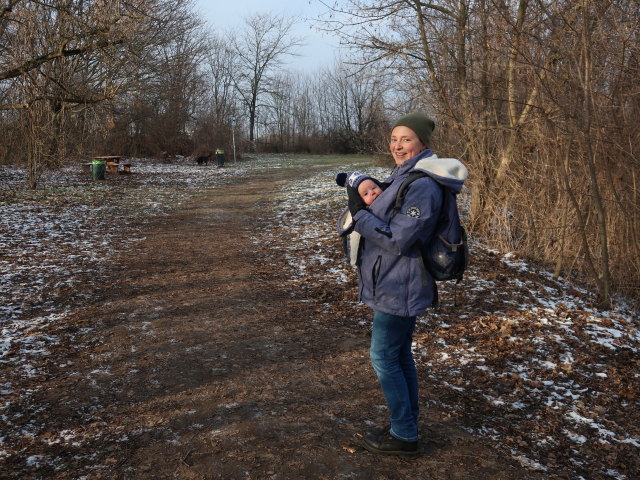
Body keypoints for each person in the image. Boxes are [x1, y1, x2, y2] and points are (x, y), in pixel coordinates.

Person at [336, 112, 467, 456]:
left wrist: (359, 215)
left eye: (405, 139)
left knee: (383, 357)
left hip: (400, 284)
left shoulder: (423, 185)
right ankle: (405, 424)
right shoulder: (404, 176)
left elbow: (398, 240)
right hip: (392, 279)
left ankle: (405, 435)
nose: (397, 146)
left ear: (423, 142)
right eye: (394, 139)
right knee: (399, 355)